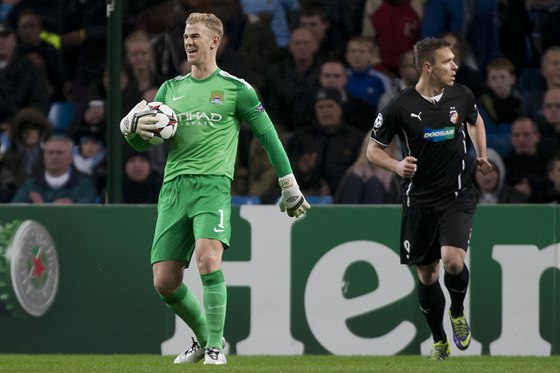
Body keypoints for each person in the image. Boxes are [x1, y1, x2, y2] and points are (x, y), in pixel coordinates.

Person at [119, 12, 309, 365]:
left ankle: (216, 348)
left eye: (195, 36)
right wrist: (130, 131)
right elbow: (146, 145)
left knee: (208, 260)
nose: (189, 42)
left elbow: (268, 136)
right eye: (186, 36)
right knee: (164, 282)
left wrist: (289, 185)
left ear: (214, 42)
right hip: (173, 189)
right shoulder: (170, 90)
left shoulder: (237, 89)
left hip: (213, 187)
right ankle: (204, 337)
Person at [366, 37, 492, 360]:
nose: (455, 66)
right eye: (447, 61)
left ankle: (458, 312)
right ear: (427, 67)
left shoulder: (461, 95)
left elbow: (475, 121)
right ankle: (439, 340)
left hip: (457, 196)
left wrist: (481, 153)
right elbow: (372, 150)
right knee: (427, 274)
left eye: (454, 60)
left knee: (452, 261)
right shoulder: (400, 106)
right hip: (419, 200)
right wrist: (397, 165)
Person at [288, 87, 364, 197]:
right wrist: (303, 171)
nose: (325, 111)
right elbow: (289, 173)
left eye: (330, 106)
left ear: (340, 109)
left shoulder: (356, 138)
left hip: (346, 195)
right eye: (320, 107)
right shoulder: (301, 137)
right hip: (309, 195)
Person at [11, 135, 97, 204]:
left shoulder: (84, 183)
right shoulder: (30, 184)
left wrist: (42, 208)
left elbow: (85, 213)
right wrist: (51, 209)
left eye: (59, 153)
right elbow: (15, 211)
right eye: (50, 153)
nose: (54, 157)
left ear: (71, 158)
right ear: (44, 157)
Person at [334, 133, 400, 204]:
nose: (381, 151)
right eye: (377, 147)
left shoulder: (396, 176)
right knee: (355, 182)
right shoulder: (354, 172)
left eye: (386, 147)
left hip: (384, 212)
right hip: (353, 212)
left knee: (374, 184)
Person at [503, 117, 549, 203]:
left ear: (537, 137)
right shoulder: (504, 164)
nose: (521, 139)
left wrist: (533, 192)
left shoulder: (548, 162)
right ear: (511, 138)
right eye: (516, 135)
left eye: (526, 134)